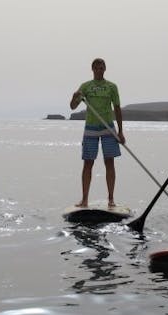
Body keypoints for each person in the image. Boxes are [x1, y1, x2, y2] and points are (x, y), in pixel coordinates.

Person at [70, 58, 125, 208]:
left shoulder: (112, 87)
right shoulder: (86, 86)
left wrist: (121, 132)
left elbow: (118, 109)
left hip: (108, 128)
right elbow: (73, 107)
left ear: (105, 69)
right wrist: (74, 97)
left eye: (101, 68)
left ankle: (111, 199)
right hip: (91, 128)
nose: (99, 70)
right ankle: (84, 200)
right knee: (88, 163)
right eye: (96, 68)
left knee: (110, 162)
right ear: (92, 69)